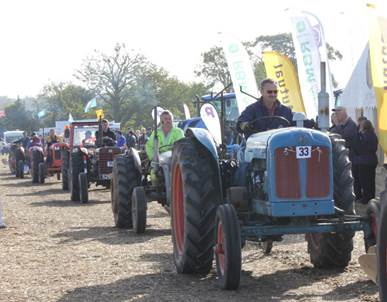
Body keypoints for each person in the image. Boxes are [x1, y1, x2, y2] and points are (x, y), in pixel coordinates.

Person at [352, 119, 379, 204]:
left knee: (364, 181)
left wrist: (358, 133)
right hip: (372, 161)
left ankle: (366, 199)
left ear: (363, 127)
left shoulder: (362, 136)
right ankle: (371, 197)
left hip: (363, 161)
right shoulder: (373, 135)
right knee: (371, 180)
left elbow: (358, 148)